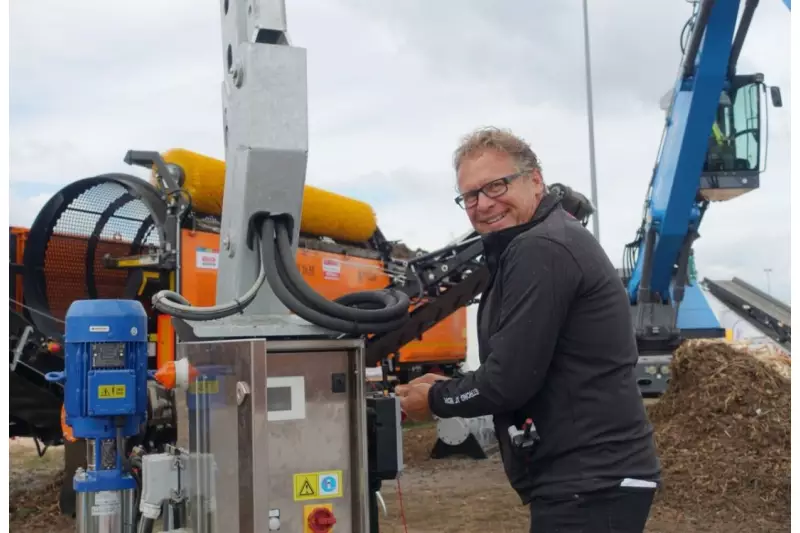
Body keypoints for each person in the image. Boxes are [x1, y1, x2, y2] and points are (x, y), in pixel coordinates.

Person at [395, 127, 662, 533]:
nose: (483, 204)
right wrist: (450, 383)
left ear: (535, 180)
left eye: (496, 185)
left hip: (591, 482)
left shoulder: (542, 248)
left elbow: (509, 381)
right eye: (470, 195)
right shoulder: (540, 241)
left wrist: (434, 399)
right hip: (591, 478)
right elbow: (529, 364)